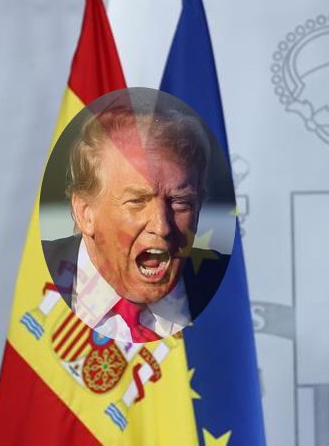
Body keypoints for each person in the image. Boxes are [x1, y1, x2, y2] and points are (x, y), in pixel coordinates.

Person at [42, 91, 228, 343]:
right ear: (85, 213)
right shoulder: (28, 279)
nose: (162, 226)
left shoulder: (229, 294)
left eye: (180, 202)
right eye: (137, 201)